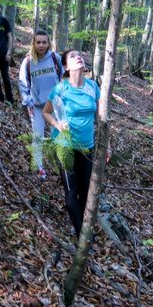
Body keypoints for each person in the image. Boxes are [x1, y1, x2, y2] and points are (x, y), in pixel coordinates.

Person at [42, 50, 105, 238]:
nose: (78, 57)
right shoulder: (61, 88)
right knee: (71, 197)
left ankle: (85, 231)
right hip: (65, 146)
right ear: (66, 67)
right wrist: (57, 125)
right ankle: (82, 237)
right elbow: (46, 112)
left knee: (86, 194)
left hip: (87, 147)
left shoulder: (93, 86)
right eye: (72, 56)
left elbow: (101, 118)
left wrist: (106, 144)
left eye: (80, 55)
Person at [18, 30, 64, 180]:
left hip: (55, 106)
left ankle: (60, 166)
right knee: (37, 137)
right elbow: (23, 83)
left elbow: (63, 78)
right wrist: (28, 102)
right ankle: (39, 168)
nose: (41, 45)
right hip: (37, 107)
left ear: (48, 43)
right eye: (38, 42)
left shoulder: (55, 58)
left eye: (44, 42)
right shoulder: (28, 61)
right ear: (34, 43)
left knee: (58, 136)